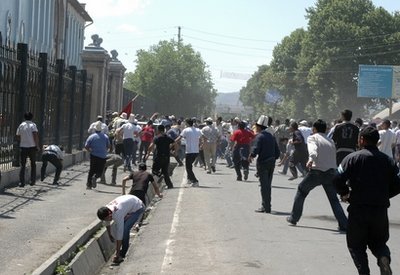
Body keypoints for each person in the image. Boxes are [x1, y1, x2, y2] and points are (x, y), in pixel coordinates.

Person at [334, 126, 400, 275]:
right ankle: (383, 257)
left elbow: (337, 178)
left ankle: (364, 272)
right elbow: (398, 184)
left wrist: (345, 194)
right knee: (379, 243)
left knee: (356, 246)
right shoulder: (387, 160)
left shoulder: (352, 158)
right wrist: (384, 195)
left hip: (358, 209)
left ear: (362, 140)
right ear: (377, 142)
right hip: (380, 210)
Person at [286, 119, 348, 231]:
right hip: (330, 172)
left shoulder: (312, 138)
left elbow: (313, 150)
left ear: (314, 129)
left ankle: (293, 218)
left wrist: (311, 160)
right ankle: (344, 224)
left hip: (317, 171)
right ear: (325, 129)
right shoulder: (330, 140)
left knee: (301, 191)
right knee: (333, 200)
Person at [97, 194, 145, 264]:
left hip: (138, 207)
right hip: (130, 204)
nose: (108, 220)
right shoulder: (107, 210)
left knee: (125, 230)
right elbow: (107, 222)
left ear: (110, 214)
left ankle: (122, 254)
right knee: (121, 227)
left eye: (108, 218)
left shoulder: (117, 213)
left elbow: (119, 234)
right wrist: (109, 234)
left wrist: (117, 253)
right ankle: (120, 252)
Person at [249, 115, 280, 213]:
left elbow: (255, 149)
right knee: (268, 185)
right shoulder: (271, 136)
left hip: (263, 163)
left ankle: (265, 206)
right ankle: (267, 206)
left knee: (264, 185)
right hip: (271, 163)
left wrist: (251, 156)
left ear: (258, 126)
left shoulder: (259, 136)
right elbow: (277, 152)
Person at [145, 124, 177, 189]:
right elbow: (175, 144)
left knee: (154, 171)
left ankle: (158, 178)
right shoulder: (168, 137)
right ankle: (170, 185)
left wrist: (147, 154)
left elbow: (151, 146)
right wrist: (175, 152)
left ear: (158, 130)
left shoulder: (157, 137)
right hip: (166, 157)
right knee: (165, 172)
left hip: (159, 157)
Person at [175, 118, 202, 187]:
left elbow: (179, 138)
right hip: (196, 151)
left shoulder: (186, 130)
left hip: (189, 151)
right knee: (189, 166)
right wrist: (201, 144)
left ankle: (195, 181)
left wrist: (172, 142)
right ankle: (189, 179)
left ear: (187, 123)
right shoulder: (197, 130)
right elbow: (204, 137)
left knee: (188, 167)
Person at [16, 112, 40, 187]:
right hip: (32, 147)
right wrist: (37, 145)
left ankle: (22, 182)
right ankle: (32, 181)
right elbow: (35, 135)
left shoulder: (21, 125)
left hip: (23, 147)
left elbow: (17, 136)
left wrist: (23, 140)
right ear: (32, 117)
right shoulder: (33, 125)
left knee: (23, 165)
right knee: (33, 164)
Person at [85, 121, 110, 189]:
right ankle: (95, 177)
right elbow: (108, 146)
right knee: (100, 170)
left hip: (93, 155)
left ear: (95, 129)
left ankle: (88, 184)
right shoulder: (105, 137)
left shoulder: (91, 137)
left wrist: (90, 150)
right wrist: (105, 150)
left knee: (91, 170)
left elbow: (86, 146)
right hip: (102, 156)